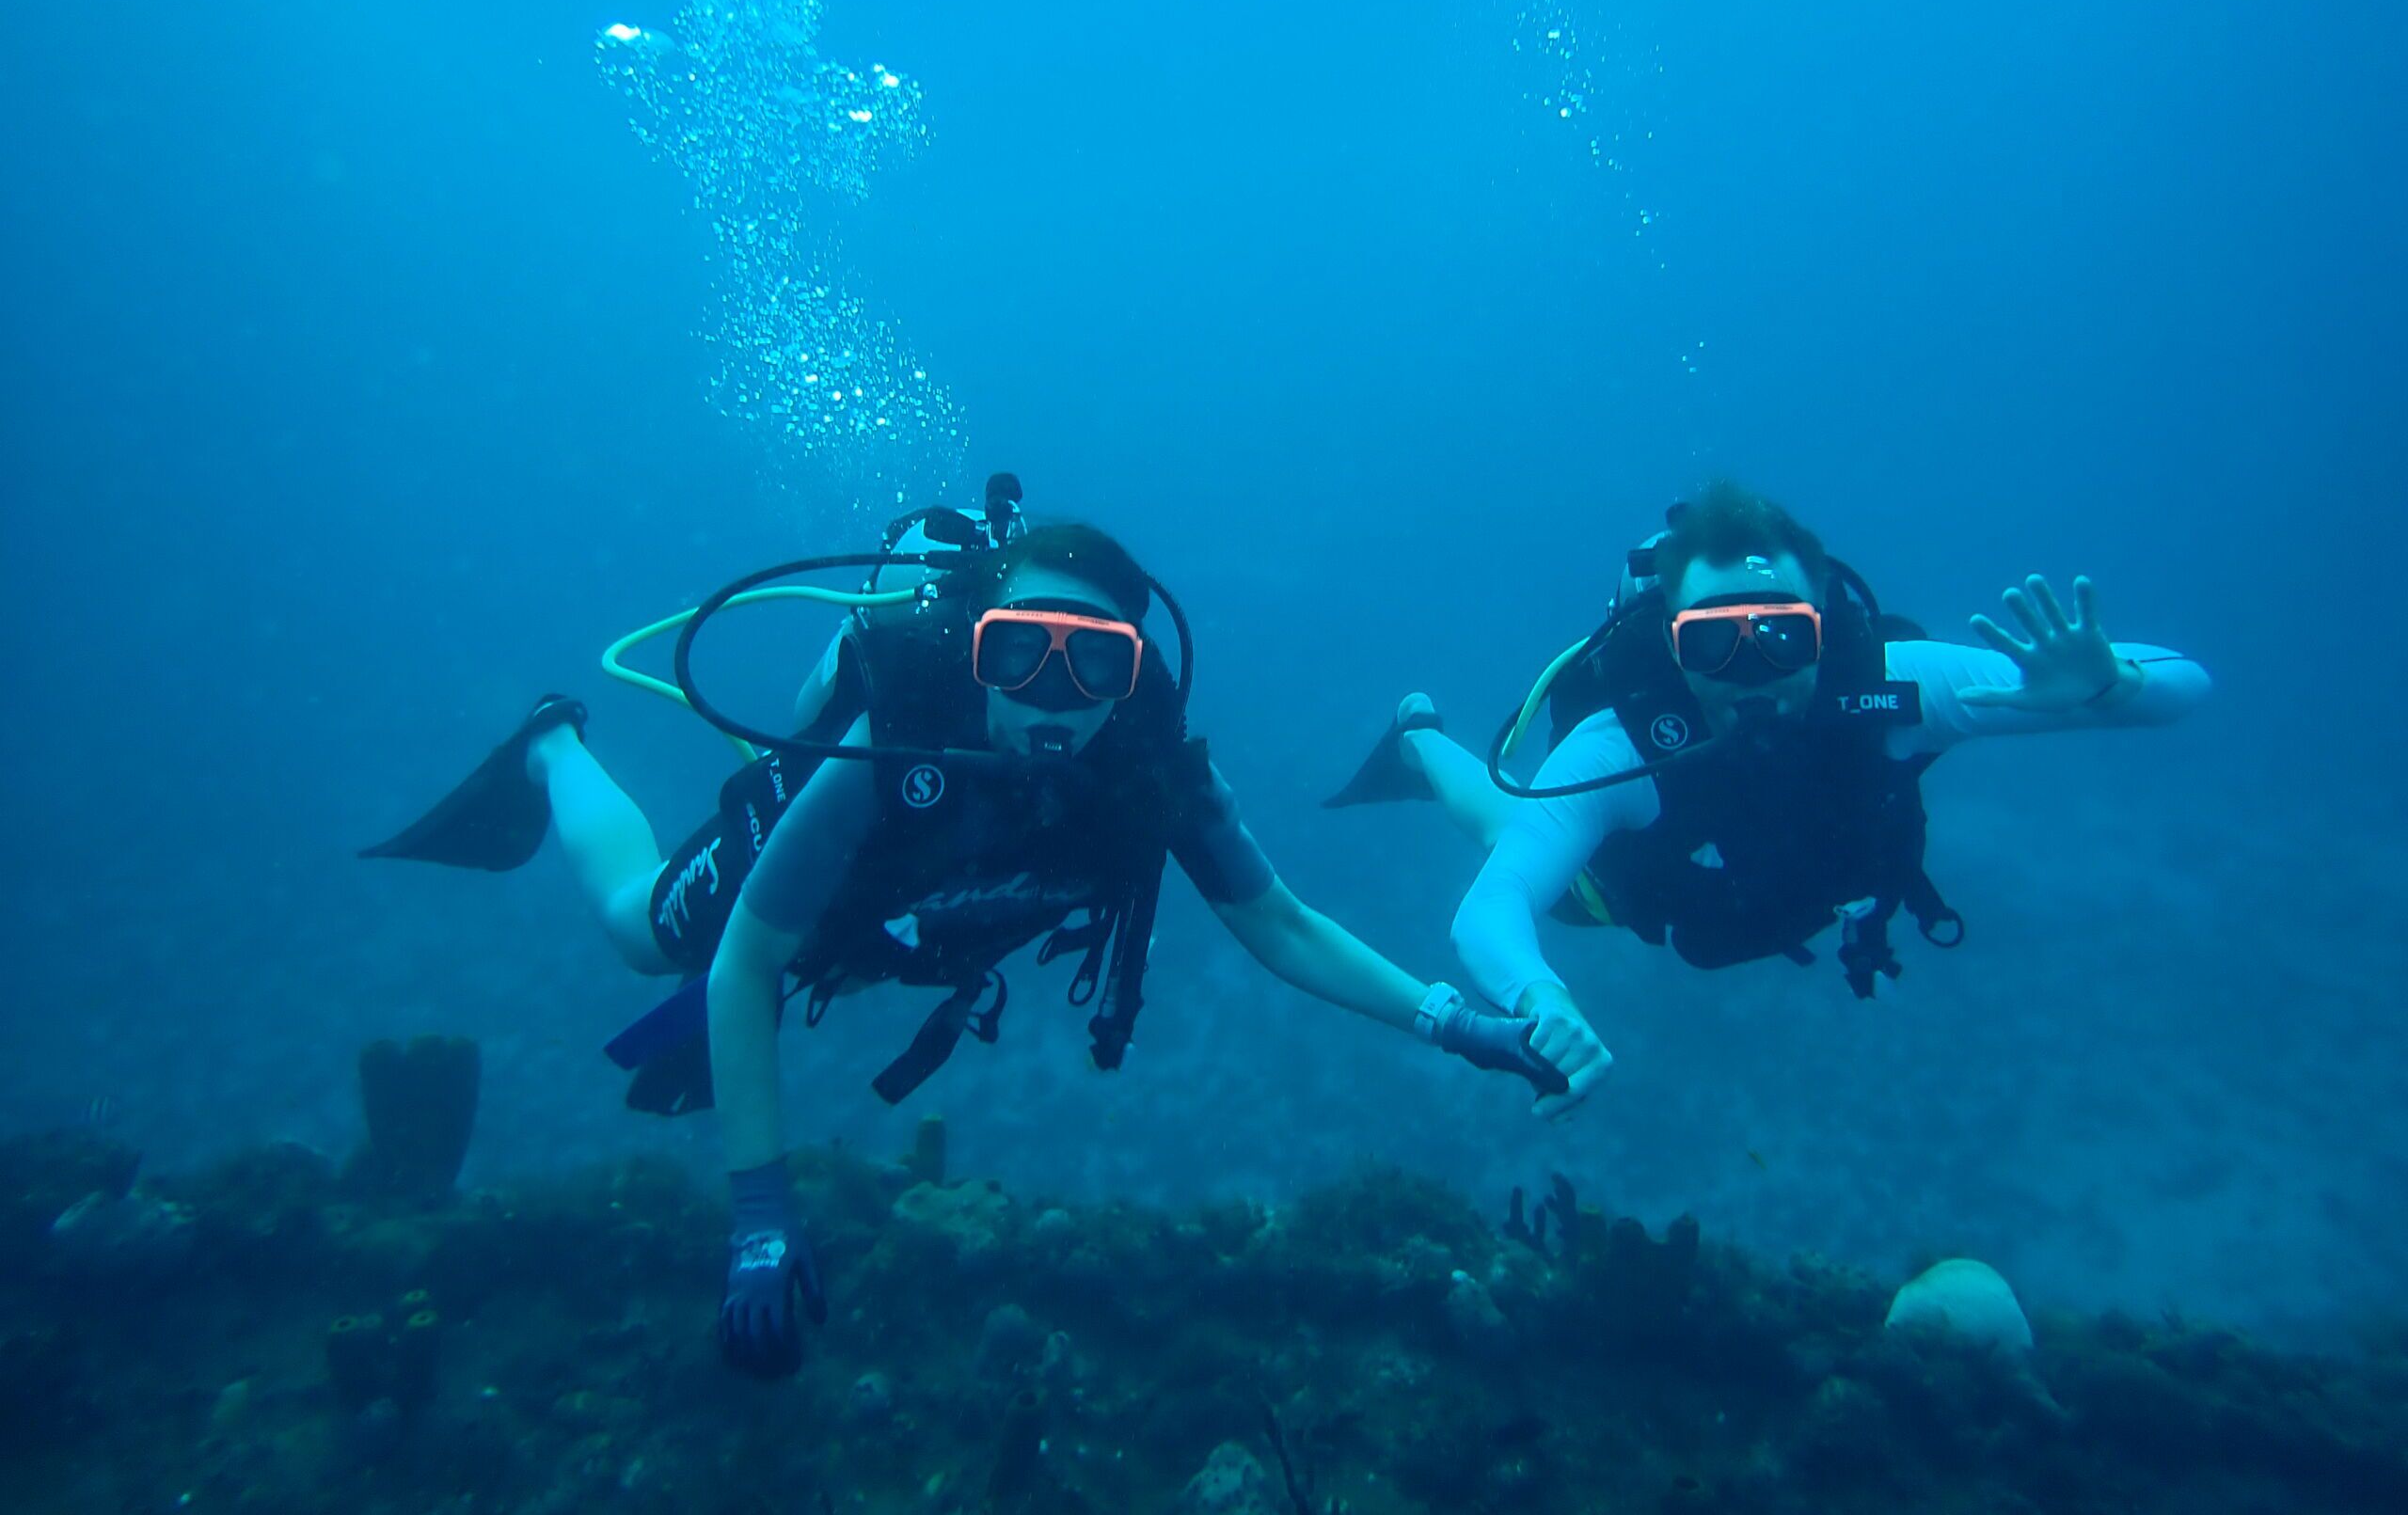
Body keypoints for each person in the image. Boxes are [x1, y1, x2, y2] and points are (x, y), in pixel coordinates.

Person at [362, 485, 1554, 1376]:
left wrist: (1454, 1023)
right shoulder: (891, 744)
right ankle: (551, 744)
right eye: (1015, 651)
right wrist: (761, 1214)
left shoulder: (1152, 775)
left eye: (1089, 666)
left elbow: (1281, 926)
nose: (1046, 691)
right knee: (645, 933)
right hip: (856, 851)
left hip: (929, 902)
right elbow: (746, 967)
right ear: (972, 647)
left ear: (1132, 678)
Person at [1329, 480, 2210, 1123]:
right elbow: (1491, 910)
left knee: (1519, 834)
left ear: (1825, 621)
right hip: (1630, 889)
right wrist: (1541, 998)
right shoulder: (1622, 742)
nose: (1754, 668)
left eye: (1784, 633)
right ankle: (1419, 741)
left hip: (1804, 884)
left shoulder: (1898, 686)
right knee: (1502, 830)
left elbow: (2186, 685)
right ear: (1672, 645)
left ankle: (1423, 742)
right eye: (1716, 643)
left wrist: (2108, 687)